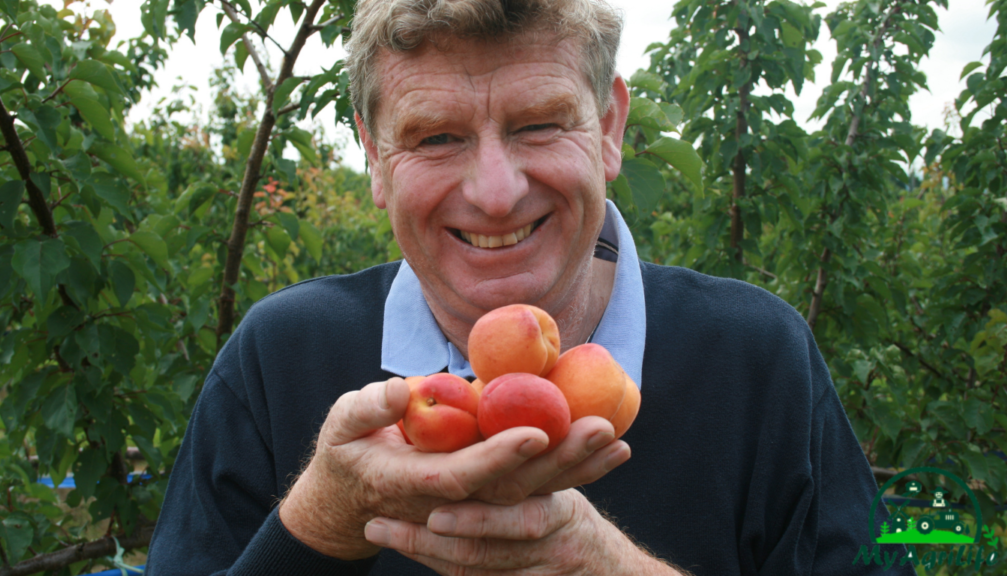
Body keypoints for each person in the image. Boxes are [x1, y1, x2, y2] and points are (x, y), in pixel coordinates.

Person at [146, 0, 911, 574]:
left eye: (540, 124)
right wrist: (323, 518)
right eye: (435, 137)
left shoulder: (759, 360)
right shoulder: (280, 358)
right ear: (374, 157)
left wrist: (604, 565)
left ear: (609, 127)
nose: (496, 192)